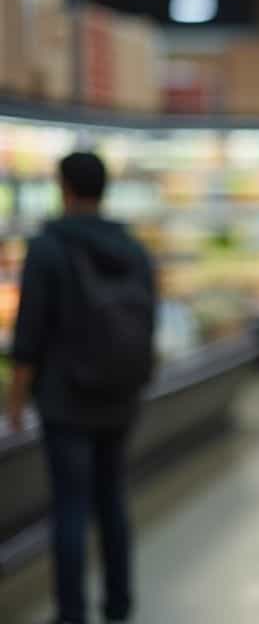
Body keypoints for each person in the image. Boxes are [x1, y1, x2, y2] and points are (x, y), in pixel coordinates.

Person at [7, 151, 156, 624]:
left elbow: (29, 333)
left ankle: (70, 612)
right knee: (112, 499)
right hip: (120, 394)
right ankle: (119, 604)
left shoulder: (49, 247)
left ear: (64, 189)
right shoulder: (133, 248)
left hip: (65, 398)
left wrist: (15, 398)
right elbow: (148, 319)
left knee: (70, 506)